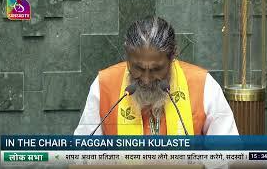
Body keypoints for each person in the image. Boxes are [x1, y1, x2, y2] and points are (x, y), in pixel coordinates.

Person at [74, 16, 238, 135]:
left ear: (173, 57)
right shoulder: (104, 85)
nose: (146, 79)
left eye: (156, 69)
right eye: (137, 68)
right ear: (127, 56)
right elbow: (83, 155)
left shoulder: (203, 86)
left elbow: (227, 155)